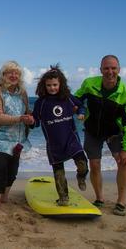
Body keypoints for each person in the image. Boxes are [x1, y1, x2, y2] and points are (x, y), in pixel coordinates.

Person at [74, 55, 126, 216]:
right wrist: (79, 109)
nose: (110, 72)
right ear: (101, 69)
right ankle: (99, 198)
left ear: (119, 70)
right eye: (106, 68)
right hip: (92, 131)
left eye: (113, 68)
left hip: (114, 133)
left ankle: (121, 201)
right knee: (95, 165)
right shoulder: (90, 84)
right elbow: (75, 99)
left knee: (123, 162)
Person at [32, 65, 88, 206]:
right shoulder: (41, 102)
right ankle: (63, 198)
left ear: (61, 84)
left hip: (71, 140)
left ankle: (81, 177)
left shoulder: (67, 98)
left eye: (55, 85)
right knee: (58, 173)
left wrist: (81, 112)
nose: (52, 88)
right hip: (54, 144)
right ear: (44, 86)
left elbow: (81, 105)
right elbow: (35, 122)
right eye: (49, 85)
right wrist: (29, 121)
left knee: (83, 164)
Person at [0, 61, 34, 215]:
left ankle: (3, 197)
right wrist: (20, 118)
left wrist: (31, 119)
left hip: (16, 140)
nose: (13, 75)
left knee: (12, 172)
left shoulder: (22, 93)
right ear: (3, 75)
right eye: (9, 72)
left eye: (16, 73)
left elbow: (26, 112)